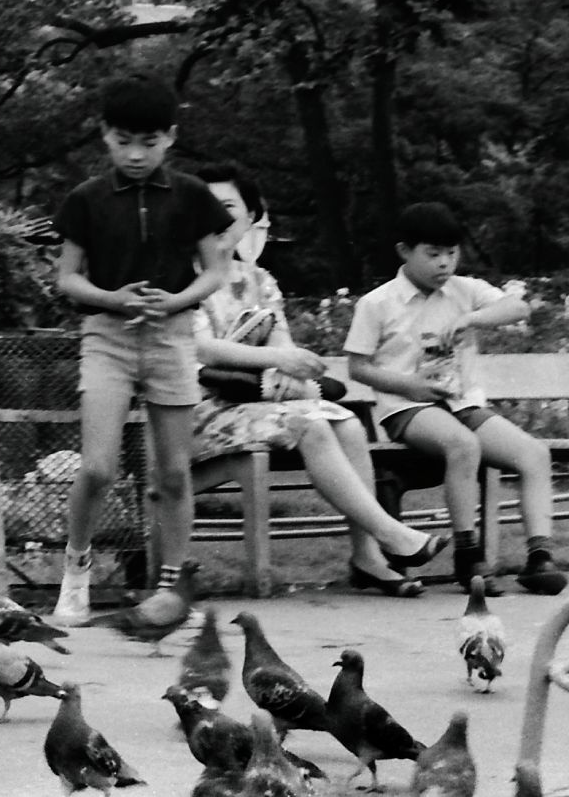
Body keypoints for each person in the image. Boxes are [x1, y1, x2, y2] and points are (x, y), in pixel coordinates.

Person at [189, 165, 446, 596]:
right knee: (310, 425)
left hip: (256, 406)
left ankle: (367, 556)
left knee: (346, 422)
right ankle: (392, 533)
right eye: (205, 206)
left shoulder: (259, 281)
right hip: (195, 413)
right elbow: (203, 349)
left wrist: (286, 370)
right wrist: (279, 360)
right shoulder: (181, 275)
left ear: (250, 217)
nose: (216, 217)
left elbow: (281, 339)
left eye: (228, 206)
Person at [50, 74, 236, 627]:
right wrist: (113, 298)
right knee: (97, 468)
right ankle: (76, 571)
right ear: (105, 135)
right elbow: (67, 278)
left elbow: (216, 270)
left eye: (149, 143)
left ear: (170, 137)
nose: (135, 155)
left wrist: (176, 300)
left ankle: (172, 589)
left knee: (174, 473)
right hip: (106, 338)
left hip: (172, 338)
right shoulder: (86, 199)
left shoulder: (192, 195)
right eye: (123, 141)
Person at [345, 202, 565, 595]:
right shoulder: (377, 303)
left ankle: (539, 558)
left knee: (534, 454)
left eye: (452, 253)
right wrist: (408, 386)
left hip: (462, 405)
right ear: (404, 251)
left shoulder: (464, 290)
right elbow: (357, 368)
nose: (444, 263)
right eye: (433, 254)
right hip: (407, 408)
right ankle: (468, 554)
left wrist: (472, 318)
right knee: (463, 445)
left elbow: (518, 306)